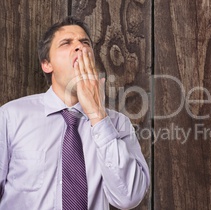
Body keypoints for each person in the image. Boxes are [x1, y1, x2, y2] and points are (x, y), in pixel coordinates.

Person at [0, 16, 150, 209]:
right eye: (66, 43)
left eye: (85, 42)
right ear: (47, 64)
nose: (80, 47)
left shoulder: (117, 123)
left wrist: (97, 115)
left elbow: (129, 197)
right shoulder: (11, 116)